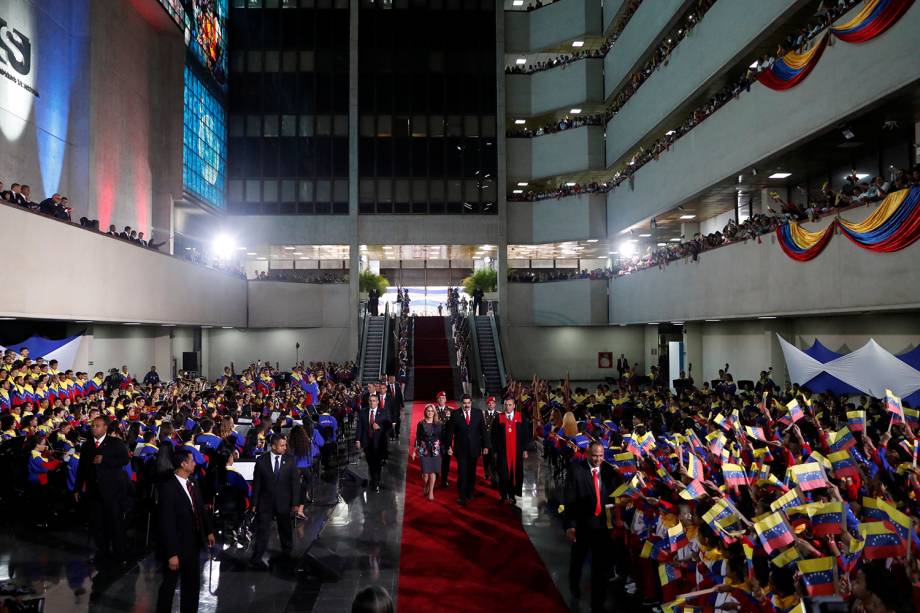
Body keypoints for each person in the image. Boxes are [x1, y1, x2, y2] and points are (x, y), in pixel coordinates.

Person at [156, 447, 215, 613]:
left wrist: (209, 531)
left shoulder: (193, 483)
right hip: (176, 546)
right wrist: (171, 553)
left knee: (192, 585)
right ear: (183, 464)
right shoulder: (168, 488)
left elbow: (200, 510)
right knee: (169, 586)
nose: (195, 463)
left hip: (193, 543)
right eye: (192, 460)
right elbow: (166, 524)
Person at [564, 441, 617, 612]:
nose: (598, 459)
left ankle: (598, 602)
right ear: (588, 453)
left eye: (601, 456)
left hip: (602, 527)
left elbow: (614, 495)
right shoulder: (576, 470)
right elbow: (569, 499)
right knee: (577, 560)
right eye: (595, 455)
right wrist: (570, 526)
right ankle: (574, 585)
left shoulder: (608, 471)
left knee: (600, 567)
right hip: (582, 525)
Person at [74, 415, 130, 566]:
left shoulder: (115, 442)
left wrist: (105, 460)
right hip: (94, 491)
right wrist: (78, 488)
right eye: (93, 425)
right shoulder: (87, 445)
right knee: (98, 524)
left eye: (97, 426)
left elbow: (125, 460)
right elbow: (82, 469)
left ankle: (120, 554)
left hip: (112, 491)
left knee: (115, 523)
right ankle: (102, 552)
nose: (94, 428)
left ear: (105, 427)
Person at [250, 433, 301, 569]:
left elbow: (295, 483)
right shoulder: (261, 461)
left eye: (285, 445)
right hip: (265, 503)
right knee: (262, 531)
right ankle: (256, 557)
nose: (285, 448)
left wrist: (296, 503)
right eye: (282, 445)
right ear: (273, 446)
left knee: (285, 530)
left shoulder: (290, 460)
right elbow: (257, 484)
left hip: (284, 503)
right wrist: (254, 503)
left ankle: (287, 555)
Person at [445, 394, 488, 506]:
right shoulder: (455, 414)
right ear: (461, 403)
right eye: (464, 403)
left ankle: (470, 492)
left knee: (472, 473)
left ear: (471, 403)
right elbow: (450, 432)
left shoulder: (478, 413)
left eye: (468, 403)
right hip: (461, 450)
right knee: (462, 473)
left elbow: (483, 431)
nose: (467, 405)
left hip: (474, 449)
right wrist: (448, 446)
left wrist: (486, 446)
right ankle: (462, 496)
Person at [490, 397, 530, 504]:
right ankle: (503, 495)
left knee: (514, 474)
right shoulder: (499, 417)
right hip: (503, 452)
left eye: (510, 405)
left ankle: (512, 495)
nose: (508, 407)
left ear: (514, 406)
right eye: (506, 405)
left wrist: (525, 449)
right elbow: (494, 436)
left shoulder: (520, 417)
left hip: (517, 452)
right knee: (503, 474)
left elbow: (526, 434)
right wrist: (494, 451)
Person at [355, 393, 391, 492]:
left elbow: (389, 427)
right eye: (370, 401)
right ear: (368, 402)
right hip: (367, 442)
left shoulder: (384, 412)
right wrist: (357, 440)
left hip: (379, 443)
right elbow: (359, 427)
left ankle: (375, 481)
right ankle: (375, 479)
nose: (372, 402)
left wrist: (380, 427)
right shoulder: (363, 412)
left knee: (377, 462)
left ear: (378, 402)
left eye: (374, 401)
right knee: (371, 463)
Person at [411, 404, 442, 502]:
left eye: (432, 411)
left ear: (434, 412)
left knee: (432, 472)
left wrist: (444, 448)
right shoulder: (421, 423)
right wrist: (414, 451)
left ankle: (431, 491)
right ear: (425, 412)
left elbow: (442, 437)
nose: (430, 412)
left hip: (435, 450)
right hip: (424, 449)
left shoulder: (439, 424)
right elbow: (418, 437)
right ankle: (426, 486)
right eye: (428, 411)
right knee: (425, 473)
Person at [433, 391, 454, 487]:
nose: (442, 400)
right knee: (436, 459)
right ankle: (436, 475)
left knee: (446, 460)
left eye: (443, 398)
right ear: (437, 400)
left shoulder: (451, 411)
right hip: (436, 439)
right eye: (440, 398)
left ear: (446, 400)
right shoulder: (433, 410)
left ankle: (444, 479)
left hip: (447, 440)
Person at [481, 396, 500, 487]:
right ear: (487, 404)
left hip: (494, 442)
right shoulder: (483, 414)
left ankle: (494, 479)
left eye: (492, 403)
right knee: (486, 459)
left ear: (495, 404)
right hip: (485, 441)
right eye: (489, 403)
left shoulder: (499, 415)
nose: (491, 404)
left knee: (493, 461)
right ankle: (486, 472)